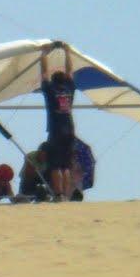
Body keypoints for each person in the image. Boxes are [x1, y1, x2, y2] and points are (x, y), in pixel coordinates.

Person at [39, 43, 78, 202]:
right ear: (64, 81)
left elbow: (43, 73)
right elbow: (70, 71)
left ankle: (59, 194)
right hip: (69, 130)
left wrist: (44, 54)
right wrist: (67, 52)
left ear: (54, 81)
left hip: (56, 130)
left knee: (56, 165)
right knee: (66, 165)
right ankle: (66, 194)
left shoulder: (50, 90)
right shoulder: (68, 89)